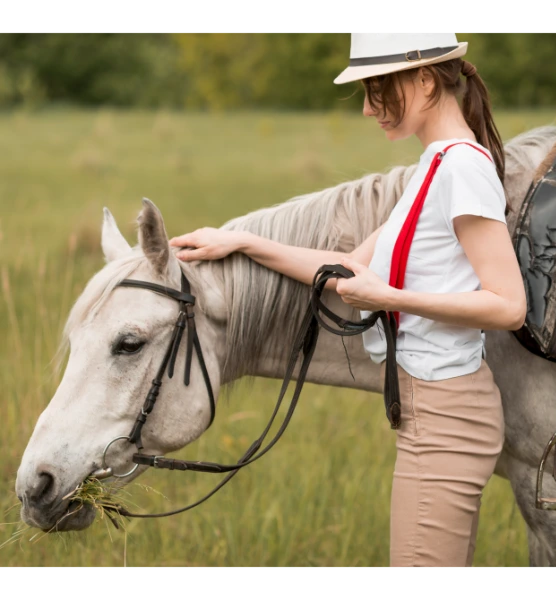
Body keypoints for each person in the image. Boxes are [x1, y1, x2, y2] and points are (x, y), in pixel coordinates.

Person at [168, 32, 527, 568]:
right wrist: (241, 241)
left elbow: (507, 304)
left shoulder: (461, 169)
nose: (366, 108)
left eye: (376, 88)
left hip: (446, 416)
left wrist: (390, 296)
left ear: (426, 79)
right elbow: (343, 272)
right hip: (431, 412)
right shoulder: (436, 166)